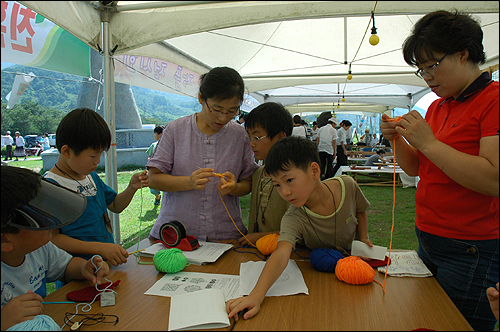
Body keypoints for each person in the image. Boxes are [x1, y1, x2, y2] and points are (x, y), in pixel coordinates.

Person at [381, 10, 498, 331]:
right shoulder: (437, 106)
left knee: (457, 325)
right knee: (429, 320)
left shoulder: (494, 101)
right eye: (421, 70)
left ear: (464, 54)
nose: (427, 76)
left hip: (470, 248)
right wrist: (397, 141)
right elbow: (417, 167)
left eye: (432, 65)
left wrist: (429, 142)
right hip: (429, 236)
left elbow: (493, 178)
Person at [226, 136, 373, 320]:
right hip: (317, 277)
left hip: (350, 267)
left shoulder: (347, 186)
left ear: (313, 170)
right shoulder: (294, 215)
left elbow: (360, 210)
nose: (284, 192)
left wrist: (363, 238)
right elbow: (281, 254)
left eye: (289, 180)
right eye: (277, 185)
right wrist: (256, 295)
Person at [147, 67, 259, 242]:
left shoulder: (240, 136)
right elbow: (153, 179)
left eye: (232, 111)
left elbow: (250, 182)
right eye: (217, 109)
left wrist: (235, 188)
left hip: (224, 235)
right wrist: (188, 182)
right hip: (176, 235)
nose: (223, 118)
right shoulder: (175, 130)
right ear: (201, 99)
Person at [1, 165, 110, 331]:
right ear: (5, 240)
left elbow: (66, 266)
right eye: (38, 216)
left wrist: (84, 268)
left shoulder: (39, 248)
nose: (49, 218)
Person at [43, 108, 149, 267]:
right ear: (67, 151)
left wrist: (131, 187)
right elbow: (52, 238)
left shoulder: (90, 176)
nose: (97, 161)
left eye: (100, 154)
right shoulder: (50, 187)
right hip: (77, 272)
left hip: (106, 266)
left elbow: (115, 205)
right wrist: (99, 248)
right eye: (93, 156)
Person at [223, 102, 293, 246]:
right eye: (249, 137)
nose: (251, 144)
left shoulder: (295, 179)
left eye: (256, 138)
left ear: (280, 137)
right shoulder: (258, 174)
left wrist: (260, 237)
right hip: (257, 251)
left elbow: (303, 229)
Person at [146, 125, 164, 207]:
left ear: (160, 134)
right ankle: (158, 197)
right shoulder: (153, 145)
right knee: (154, 188)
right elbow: (149, 156)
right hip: (155, 170)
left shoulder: (168, 145)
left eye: (155, 133)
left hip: (165, 170)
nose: (154, 135)